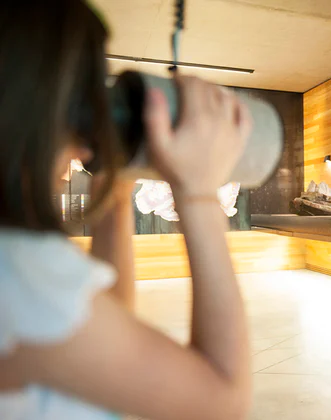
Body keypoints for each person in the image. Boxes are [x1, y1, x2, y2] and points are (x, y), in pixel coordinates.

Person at [0, 1, 254, 419]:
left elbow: (104, 317)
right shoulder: (20, 274)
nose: (82, 145)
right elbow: (223, 402)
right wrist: (199, 193)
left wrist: (115, 184)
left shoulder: (21, 275)